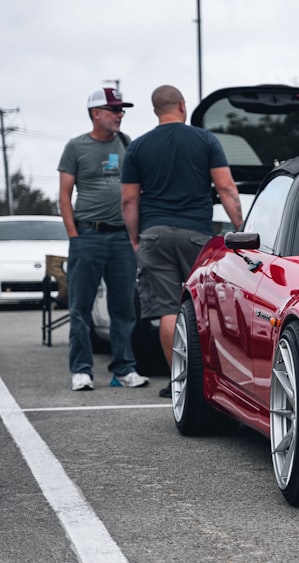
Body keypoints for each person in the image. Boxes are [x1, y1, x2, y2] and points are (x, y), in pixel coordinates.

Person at [121, 85, 243, 398]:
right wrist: (242, 227)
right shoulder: (205, 140)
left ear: (155, 111)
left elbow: (129, 200)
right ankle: (207, 380)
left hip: (155, 233)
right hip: (196, 236)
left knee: (166, 310)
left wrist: (135, 238)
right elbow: (227, 188)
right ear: (182, 106)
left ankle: (179, 382)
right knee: (200, 308)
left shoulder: (138, 147)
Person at [57, 87, 149, 391]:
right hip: (88, 235)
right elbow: (64, 196)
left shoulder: (127, 144)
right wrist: (75, 237)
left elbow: (139, 189)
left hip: (121, 238)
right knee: (81, 307)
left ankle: (124, 369)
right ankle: (81, 370)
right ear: (96, 113)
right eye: (114, 110)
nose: (120, 115)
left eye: (122, 110)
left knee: (123, 307)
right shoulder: (76, 147)